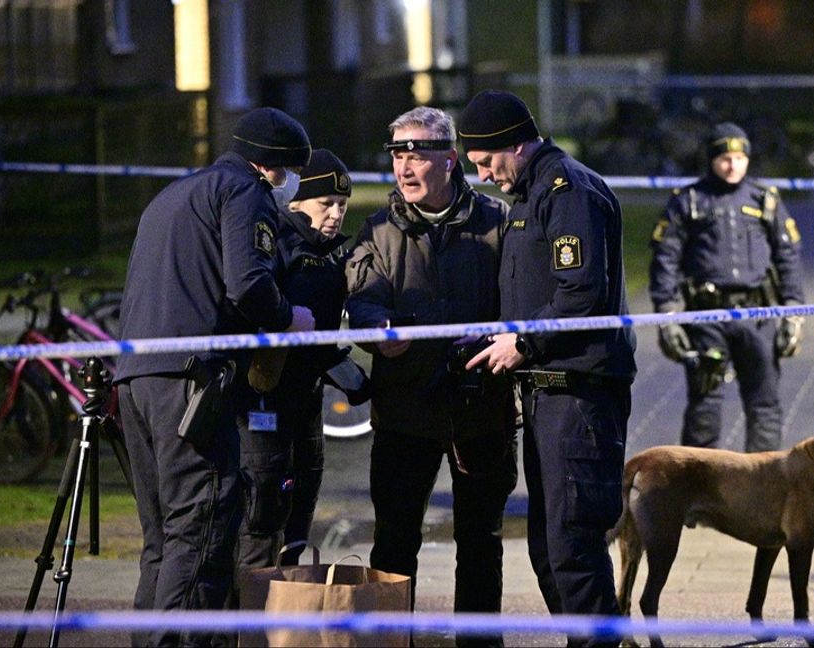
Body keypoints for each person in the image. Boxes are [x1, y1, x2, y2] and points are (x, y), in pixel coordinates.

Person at [114, 106, 315, 647]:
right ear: (271, 166)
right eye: (291, 173)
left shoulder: (173, 195)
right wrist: (288, 317)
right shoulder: (243, 192)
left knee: (162, 537)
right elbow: (247, 284)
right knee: (201, 526)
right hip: (189, 382)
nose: (291, 186)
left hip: (135, 378)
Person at [459, 89, 637, 648]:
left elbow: (581, 293)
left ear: (517, 144)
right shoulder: (530, 191)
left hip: (579, 394)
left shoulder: (567, 191)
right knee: (548, 547)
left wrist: (524, 344)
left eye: (487, 161)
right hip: (546, 394)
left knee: (573, 546)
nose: (484, 174)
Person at [343, 106, 517, 648]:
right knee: (394, 543)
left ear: (450, 157)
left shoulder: (497, 223)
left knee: (481, 542)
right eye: (397, 154)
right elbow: (362, 297)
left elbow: (523, 302)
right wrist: (378, 331)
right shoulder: (376, 230)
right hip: (404, 412)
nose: (405, 167)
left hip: (480, 412)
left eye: (416, 153)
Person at [648, 122, 805, 453]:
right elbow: (665, 258)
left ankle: (763, 489)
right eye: (724, 158)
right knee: (705, 406)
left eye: (739, 157)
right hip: (707, 318)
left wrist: (795, 312)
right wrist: (667, 314)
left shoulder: (766, 200)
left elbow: (788, 256)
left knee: (764, 405)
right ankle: (698, 490)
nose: (733, 165)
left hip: (758, 316)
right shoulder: (688, 201)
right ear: (711, 159)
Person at [236, 149, 357, 572]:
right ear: (295, 203)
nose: (336, 215)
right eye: (326, 204)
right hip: (264, 405)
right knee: (262, 513)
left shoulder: (339, 252)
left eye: (343, 206)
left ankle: (286, 614)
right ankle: (244, 623)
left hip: (308, 400)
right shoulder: (275, 246)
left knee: (300, 510)